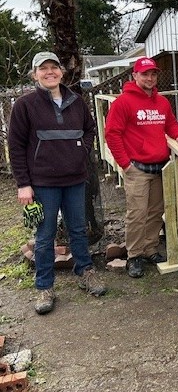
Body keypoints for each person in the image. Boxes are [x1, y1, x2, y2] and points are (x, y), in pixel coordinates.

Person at [8, 51, 107, 315]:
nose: (49, 72)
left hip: (75, 180)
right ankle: (44, 286)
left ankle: (85, 272)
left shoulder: (76, 101)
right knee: (44, 237)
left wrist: (81, 151)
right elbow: (16, 147)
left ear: (61, 72)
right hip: (42, 183)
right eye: (43, 69)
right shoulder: (25, 105)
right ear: (35, 74)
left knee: (78, 230)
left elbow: (90, 130)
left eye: (54, 67)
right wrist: (23, 184)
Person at [105, 56, 178, 279]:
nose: (150, 78)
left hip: (160, 167)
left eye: (153, 74)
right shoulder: (123, 102)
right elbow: (112, 134)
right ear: (135, 76)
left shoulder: (162, 102)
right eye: (145, 74)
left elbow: (170, 123)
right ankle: (134, 255)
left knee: (155, 212)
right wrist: (125, 164)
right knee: (137, 214)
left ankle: (150, 249)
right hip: (137, 169)